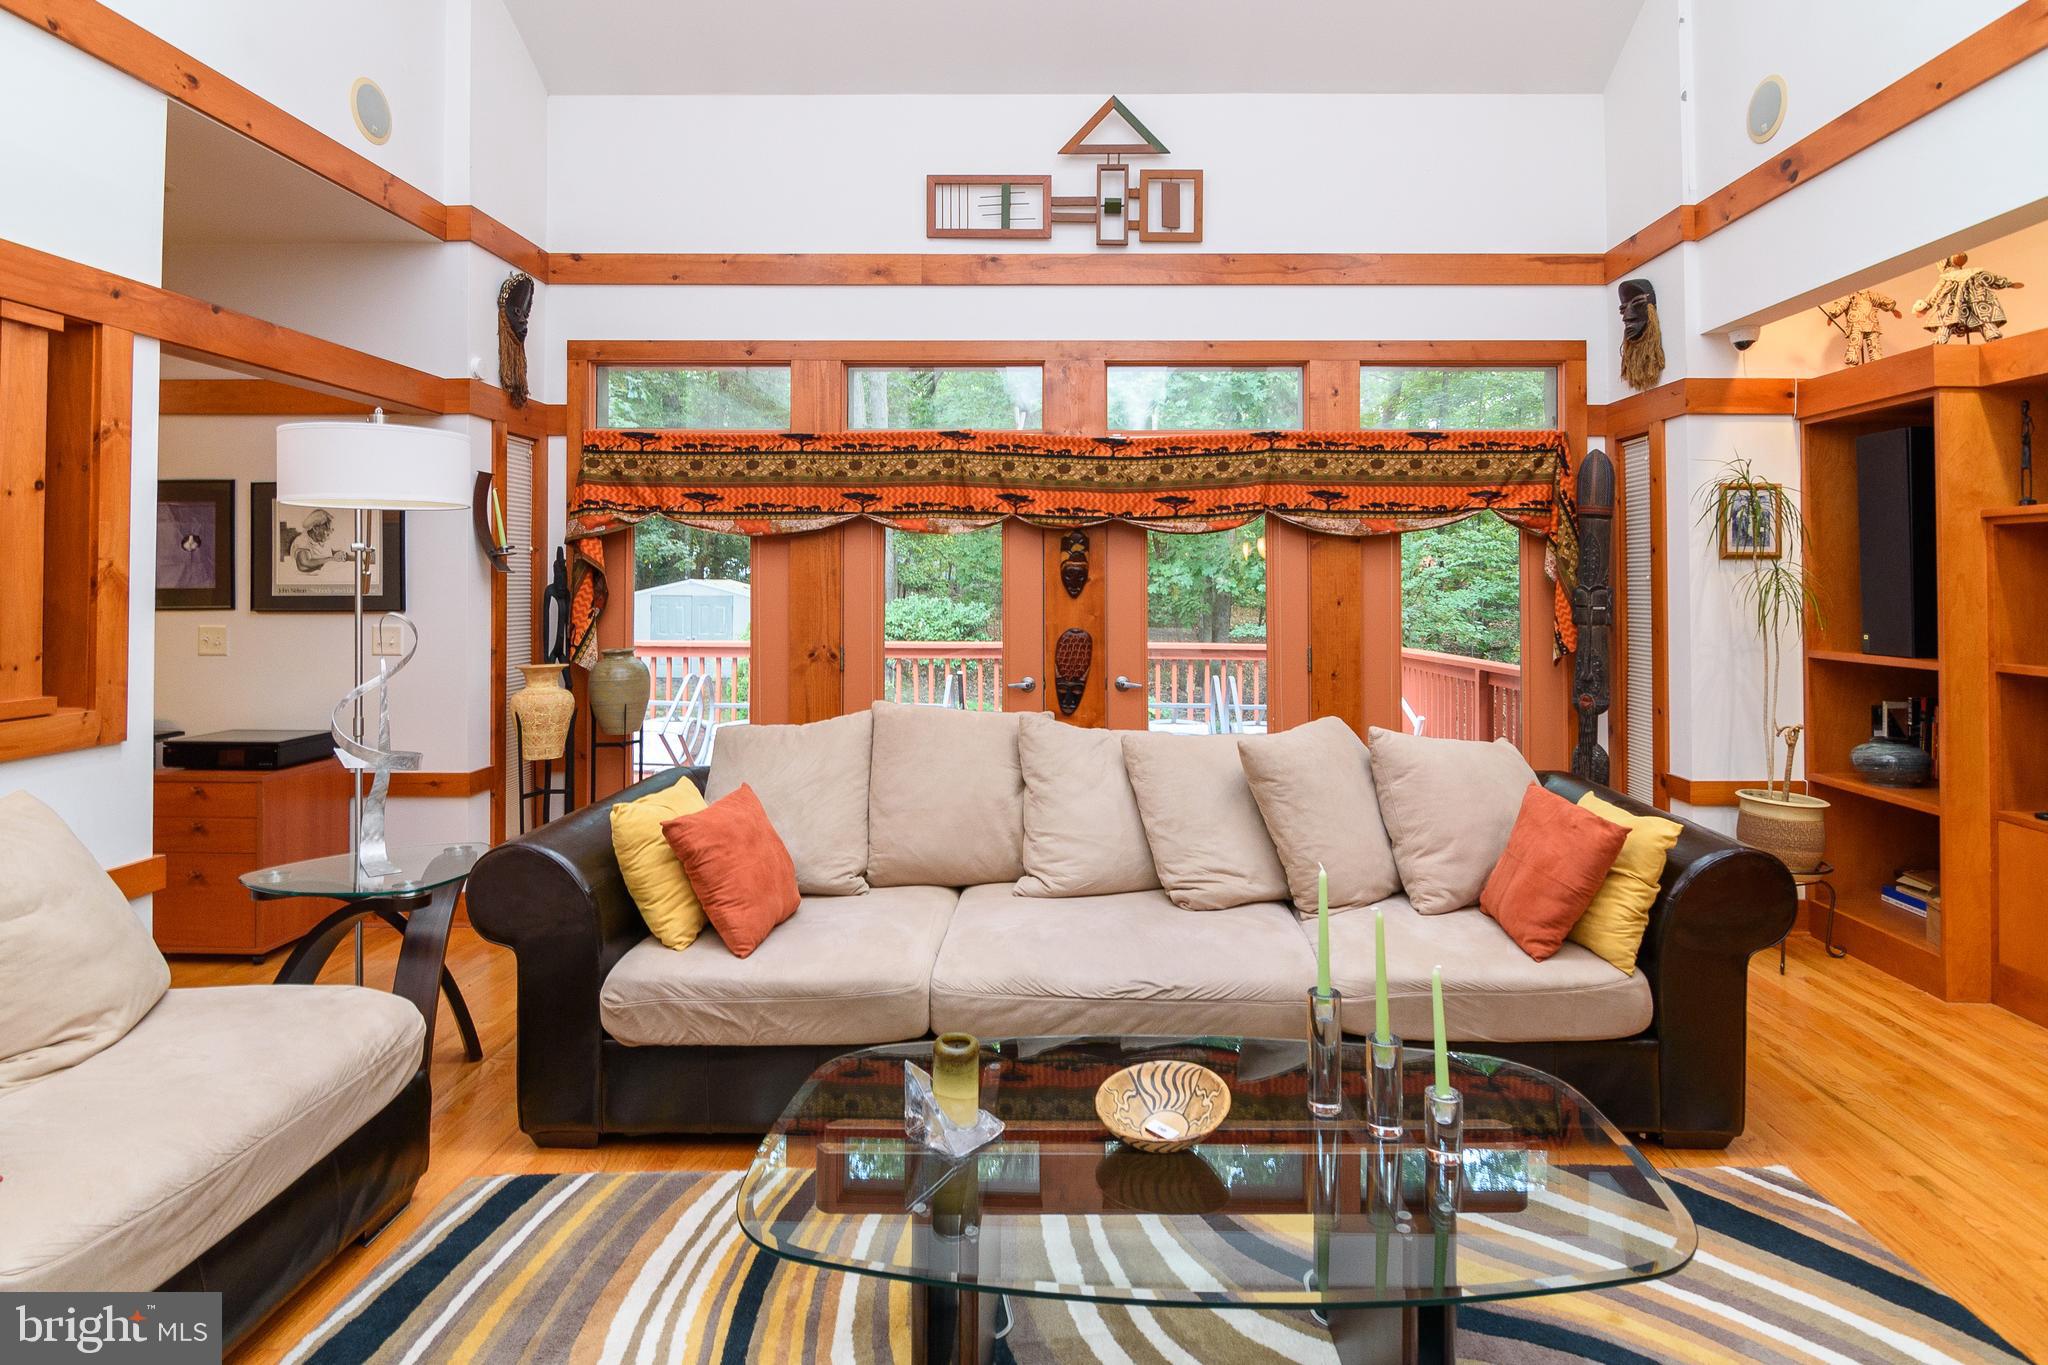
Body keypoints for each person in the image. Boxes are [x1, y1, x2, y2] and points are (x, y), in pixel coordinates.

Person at [287, 507, 348, 576]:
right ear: (316, 528)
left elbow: (330, 552)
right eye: (327, 531)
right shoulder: (303, 541)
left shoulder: (320, 539)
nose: (329, 535)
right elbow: (304, 563)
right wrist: (331, 559)